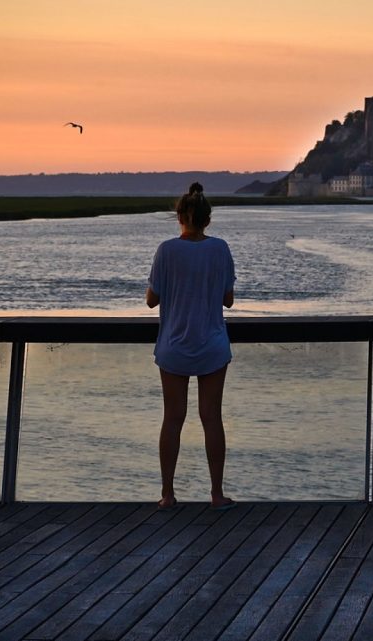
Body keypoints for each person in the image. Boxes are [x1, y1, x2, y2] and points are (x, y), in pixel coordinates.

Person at [146, 182, 236, 510]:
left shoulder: (166, 251)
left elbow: (151, 301)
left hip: (174, 346)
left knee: (173, 419)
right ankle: (216, 494)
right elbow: (228, 299)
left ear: (179, 216)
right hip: (212, 345)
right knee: (211, 418)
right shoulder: (220, 249)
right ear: (207, 219)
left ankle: (168, 494)